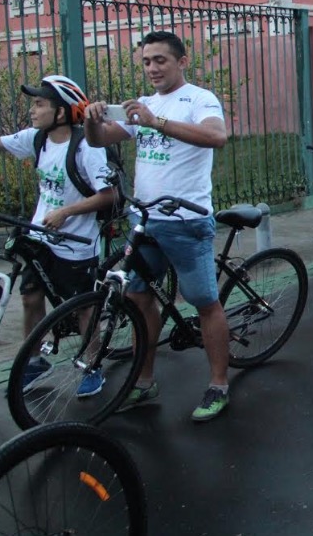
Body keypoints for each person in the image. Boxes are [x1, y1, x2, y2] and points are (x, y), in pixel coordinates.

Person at [84, 30, 231, 422]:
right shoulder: (143, 104)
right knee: (138, 299)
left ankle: (218, 384)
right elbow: (99, 141)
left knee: (204, 302)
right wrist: (91, 121)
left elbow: (217, 136)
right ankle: (144, 380)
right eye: (147, 61)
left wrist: (156, 121)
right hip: (145, 221)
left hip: (187, 221)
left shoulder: (198, 99)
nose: (152, 68)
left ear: (181, 62)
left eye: (160, 60)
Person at [0, 76, 114, 397]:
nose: (32, 110)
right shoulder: (37, 139)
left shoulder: (86, 147)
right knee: (30, 296)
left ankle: (92, 366)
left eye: (39, 104)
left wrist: (66, 212)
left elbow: (109, 195)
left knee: (83, 308)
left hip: (76, 244)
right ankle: (35, 362)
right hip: (41, 238)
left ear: (61, 112)